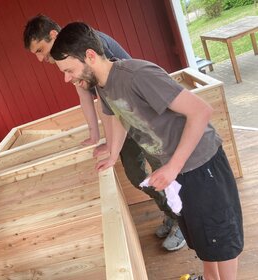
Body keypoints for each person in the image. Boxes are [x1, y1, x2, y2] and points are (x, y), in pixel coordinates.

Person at [50, 22, 244, 280]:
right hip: (178, 170)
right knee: (203, 239)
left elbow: (201, 111)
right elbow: (119, 117)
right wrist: (112, 153)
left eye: (69, 70)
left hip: (201, 164)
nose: (67, 78)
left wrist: (172, 167)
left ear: (90, 56)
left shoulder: (137, 75)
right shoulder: (104, 86)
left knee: (222, 239)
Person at [23, 14, 185, 251]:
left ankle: (183, 222)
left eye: (39, 49)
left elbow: (114, 100)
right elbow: (88, 97)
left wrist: (111, 145)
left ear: (53, 36)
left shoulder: (88, 44)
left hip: (142, 117)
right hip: (121, 119)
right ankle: (169, 212)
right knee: (135, 174)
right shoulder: (66, 58)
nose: (39, 59)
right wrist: (95, 136)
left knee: (162, 171)